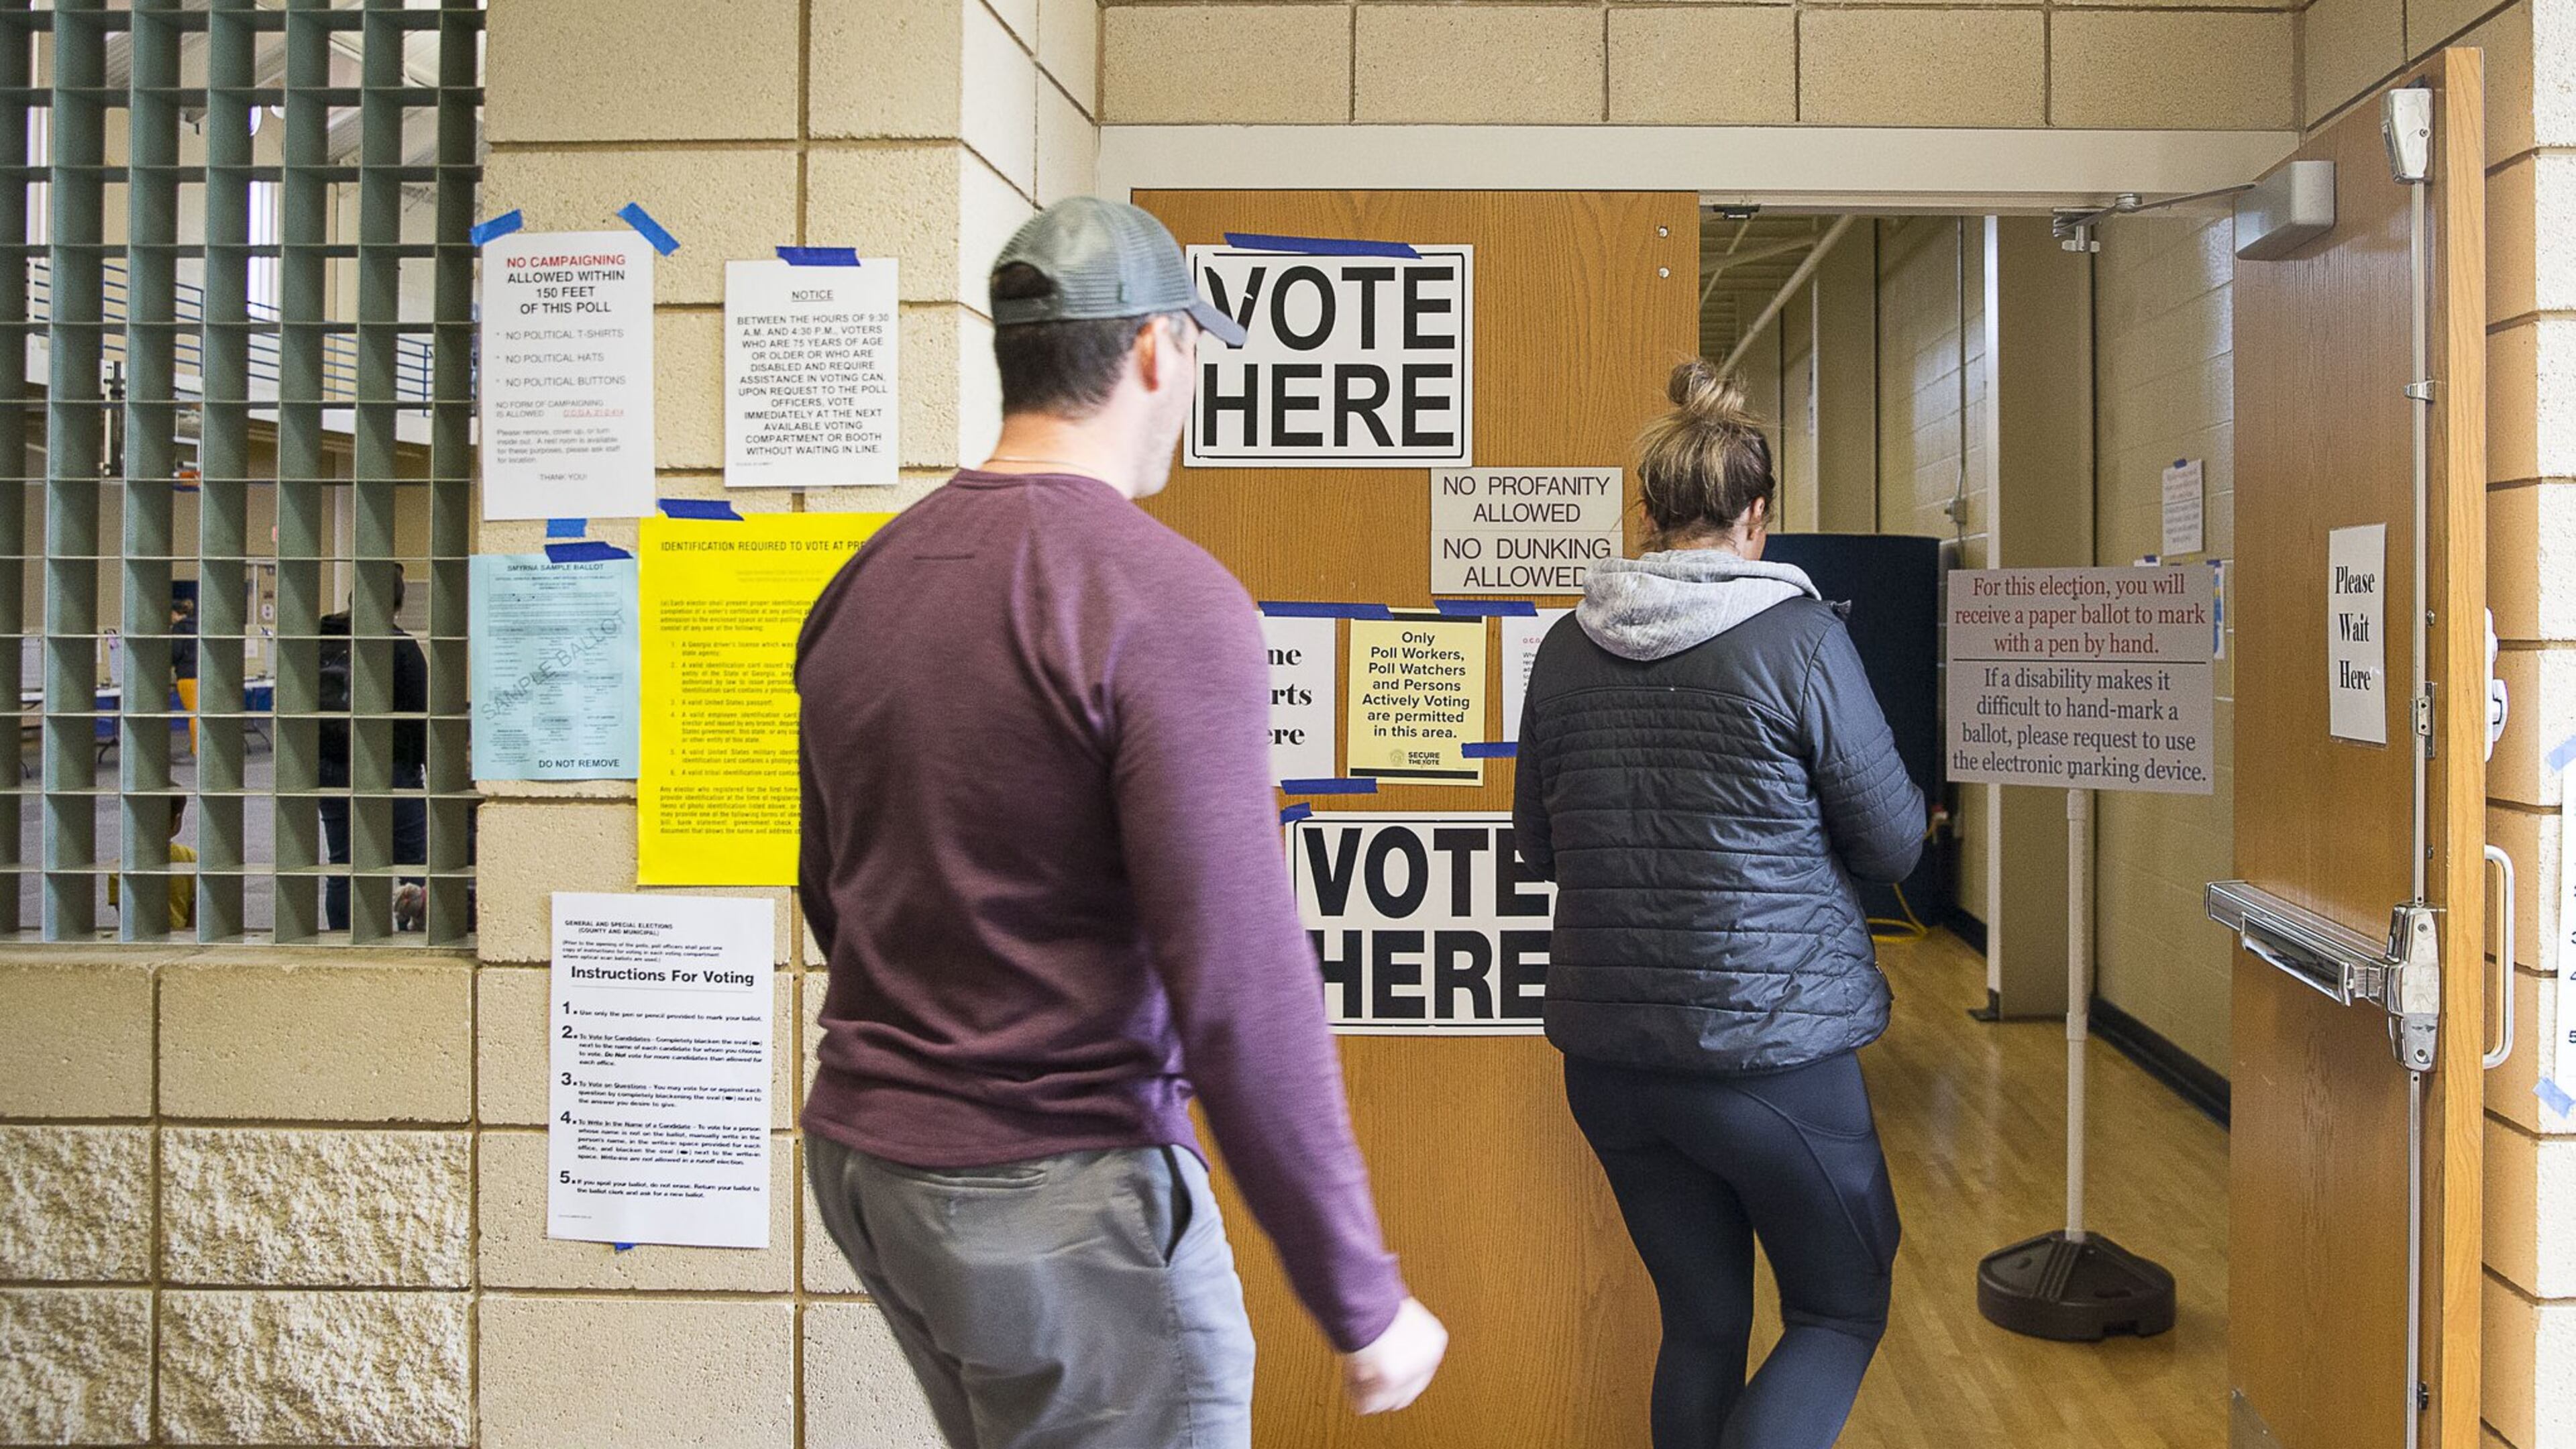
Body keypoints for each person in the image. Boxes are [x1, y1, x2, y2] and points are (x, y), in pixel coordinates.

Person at [795, 197, 1447, 1449]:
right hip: (1062, 1194)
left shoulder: (867, 583)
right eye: (1197, 354)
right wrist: (1359, 1293)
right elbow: (1241, 979)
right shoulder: (1162, 600)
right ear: (1158, 351)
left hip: (875, 1168)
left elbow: (833, 884)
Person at [1513, 360, 1926, 1449]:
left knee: (1701, 1325)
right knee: (1840, 1309)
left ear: (1647, 516)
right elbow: (1890, 841)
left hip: (1611, 1065)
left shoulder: (1565, 648)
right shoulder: (1800, 641)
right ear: (1758, 519)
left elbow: (1538, 843)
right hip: (1772, 1059)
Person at [317, 578, 427, 932]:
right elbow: (419, 716)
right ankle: (416, 935)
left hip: (329, 765)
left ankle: (341, 940)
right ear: (396, 606)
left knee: (343, 864)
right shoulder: (401, 648)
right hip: (389, 767)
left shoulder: (318, 639)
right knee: (414, 859)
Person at [107, 793, 195, 932]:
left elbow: (127, 919)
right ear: (177, 821)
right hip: (183, 939)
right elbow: (197, 913)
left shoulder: (120, 867)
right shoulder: (191, 859)